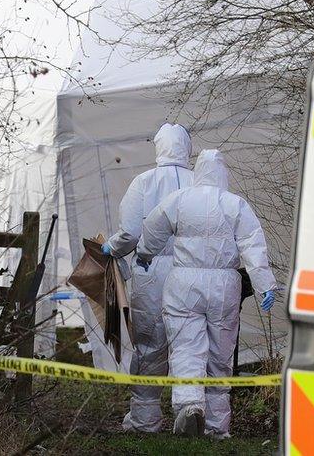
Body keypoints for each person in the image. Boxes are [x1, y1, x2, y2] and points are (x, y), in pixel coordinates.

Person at [137, 149, 278, 438]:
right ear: (223, 173)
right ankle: (217, 427)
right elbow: (254, 247)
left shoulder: (179, 200)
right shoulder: (235, 204)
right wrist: (265, 285)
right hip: (224, 284)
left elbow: (153, 227)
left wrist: (144, 253)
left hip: (184, 283)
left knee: (187, 346)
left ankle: (189, 406)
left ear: (198, 171)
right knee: (220, 353)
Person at [100, 123, 194, 433]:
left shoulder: (144, 182)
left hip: (151, 270)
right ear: (186, 148)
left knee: (149, 343)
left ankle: (144, 420)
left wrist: (111, 247)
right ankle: (189, 410)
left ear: (158, 147)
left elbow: (131, 232)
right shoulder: (200, 183)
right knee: (189, 343)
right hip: (191, 271)